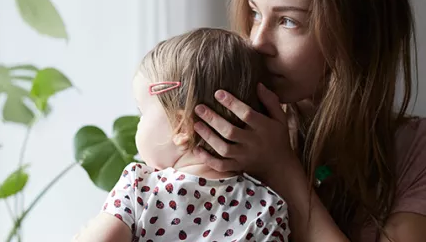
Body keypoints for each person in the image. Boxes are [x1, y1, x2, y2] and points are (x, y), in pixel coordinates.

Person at [190, 0, 426, 241]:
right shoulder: (225, 131)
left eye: (289, 21)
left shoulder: (414, 154)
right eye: (255, 13)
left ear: (359, 35)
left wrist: (281, 170)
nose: (257, 42)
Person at [73, 28, 290, 241]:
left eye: (142, 112)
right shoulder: (268, 209)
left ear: (181, 126)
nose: (138, 124)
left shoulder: (140, 186)